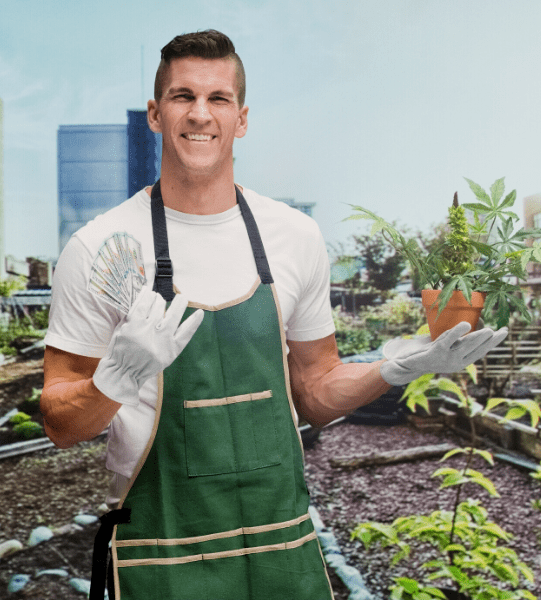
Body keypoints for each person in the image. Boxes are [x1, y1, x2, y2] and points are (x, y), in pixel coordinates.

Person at [41, 29, 507, 600]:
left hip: (284, 553)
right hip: (161, 556)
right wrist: (113, 380)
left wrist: (394, 369)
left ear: (241, 119)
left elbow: (314, 391)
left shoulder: (293, 236)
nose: (200, 114)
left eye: (219, 99)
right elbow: (60, 423)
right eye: (183, 96)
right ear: (155, 114)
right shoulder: (99, 247)